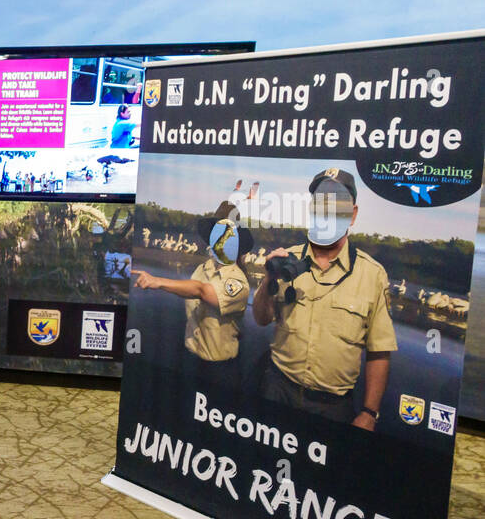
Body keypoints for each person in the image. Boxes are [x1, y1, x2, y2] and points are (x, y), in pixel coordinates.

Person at [252, 168, 397, 428]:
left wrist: (369, 412)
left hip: (332, 407)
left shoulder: (372, 275)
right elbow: (261, 318)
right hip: (276, 390)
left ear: (352, 215)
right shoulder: (287, 260)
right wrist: (267, 281)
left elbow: (379, 351)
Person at [133, 220, 253, 382]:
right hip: (190, 357)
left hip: (218, 368)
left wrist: (158, 281)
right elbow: (190, 292)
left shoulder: (238, 282)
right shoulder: (203, 268)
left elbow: (201, 291)